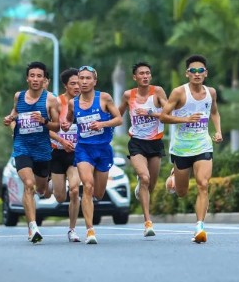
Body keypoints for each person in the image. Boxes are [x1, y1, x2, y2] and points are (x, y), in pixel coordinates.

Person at [160, 55, 222, 244]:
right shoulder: (179, 93)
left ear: (206, 73)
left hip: (202, 144)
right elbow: (163, 116)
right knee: (182, 191)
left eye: (200, 70)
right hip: (181, 148)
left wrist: (218, 131)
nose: (197, 74)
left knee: (203, 184)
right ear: (187, 74)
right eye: (193, 71)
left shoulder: (211, 92)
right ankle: (173, 177)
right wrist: (184, 120)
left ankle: (200, 226)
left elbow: (214, 112)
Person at [61, 65, 122, 244]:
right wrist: (66, 124)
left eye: (88, 78)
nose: (84, 81)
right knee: (87, 186)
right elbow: (70, 119)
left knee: (99, 193)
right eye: (82, 78)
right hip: (84, 149)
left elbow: (118, 119)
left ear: (94, 81)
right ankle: (90, 230)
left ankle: (90, 222)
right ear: (78, 81)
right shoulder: (73, 102)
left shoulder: (104, 98)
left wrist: (102, 124)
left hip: (103, 150)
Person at [3, 62, 60, 243]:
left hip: (42, 149)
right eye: (32, 76)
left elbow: (57, 126)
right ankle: (33, 227)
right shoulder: (18, 96)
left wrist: (43, 121)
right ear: (27, 78)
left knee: (42, 190)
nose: (35, 79)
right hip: (22, 146)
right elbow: (14, 112)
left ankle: (48, 183)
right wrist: (10, 119)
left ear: (44, 80)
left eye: (39, 76)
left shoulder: (50, 99)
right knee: (29, 185)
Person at [118, 61, 168, 237]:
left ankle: (141, 188)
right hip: (137, 142)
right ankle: (148, 222)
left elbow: (168, 114)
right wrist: (103, 124)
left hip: (155, 142)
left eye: (148, 73)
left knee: (151, 184)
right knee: (145, 177)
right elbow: (118, 115)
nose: (145, 76)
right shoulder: (128, 95)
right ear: (135, 77)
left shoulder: (158, 92)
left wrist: (150, 114)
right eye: (141, 73)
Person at [49, 68, 82, 242]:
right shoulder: (56, 103)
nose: (77, 86)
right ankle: (50, 184)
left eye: (79, 83)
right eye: (73, 83)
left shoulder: (86, 102)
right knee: (60, 197)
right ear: (65, 85)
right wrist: (62, 141)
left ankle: (72, 229)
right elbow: (46, 129)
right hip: (57, 152)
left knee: (75, 189)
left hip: (76, 154)